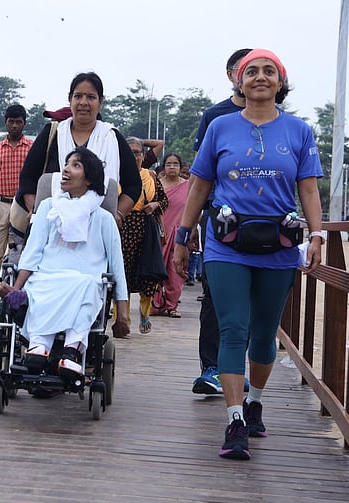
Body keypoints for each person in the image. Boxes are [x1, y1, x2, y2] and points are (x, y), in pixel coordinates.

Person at [172, 49, 324, 460]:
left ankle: (255, 400)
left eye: (268, 71)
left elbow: (308, 188)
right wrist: (183, 237)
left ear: (280, 82)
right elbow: (200, 185)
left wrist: (317, 235)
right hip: (227, 244)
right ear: (238, 82)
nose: (260, 77)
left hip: (279, 245)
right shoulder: (221, 127)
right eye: (251, 71)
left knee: (264, 334)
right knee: (233, 328)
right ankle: (236, 419)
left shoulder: (299, 131)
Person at [0, 146, 130, 377]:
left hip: (85, 280)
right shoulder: (49, 208)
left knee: (89, 288)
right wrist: (16, 290)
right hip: (47, 276)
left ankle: (72, 351)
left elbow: (117, 268)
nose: (66, 170)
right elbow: (32, 252)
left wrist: (123, 314)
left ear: (89, 179)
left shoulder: (103, 219)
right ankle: (39, 346)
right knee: (38, 288)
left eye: (75, 165)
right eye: (66, 164)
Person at [190, 48, 253, 396]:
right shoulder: (215, 117)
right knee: (214, 294)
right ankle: (211, 367)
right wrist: (189, 228)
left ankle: (234, 367)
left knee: (250, 296)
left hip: (262, 221)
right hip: (219, 218)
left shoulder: (278, 119)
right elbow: (202, 175)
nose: (255, 78)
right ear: (232, 75)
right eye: (246, 70)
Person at [17, 72, 141, 231]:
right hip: (52, 226)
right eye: (78, 96)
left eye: (91, 97)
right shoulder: (53, 133)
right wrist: (36, 210)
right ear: (70, 99)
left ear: (101, 102)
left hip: (98, 229)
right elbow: (28, 178)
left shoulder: (112, 137)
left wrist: (118, 214)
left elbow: (133, 185)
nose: (84, 102)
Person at [119, 137, 167, 335]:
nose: (134, 156)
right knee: (121, 274)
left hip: (146, 229)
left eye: (137, 152)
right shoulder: (117, 175)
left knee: (148, 273)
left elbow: (164, 201)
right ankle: (122, 318)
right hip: (122, 228)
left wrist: (155, 205)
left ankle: (145, 312)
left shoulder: (151, 176)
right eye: (129, 152)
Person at [0, 104, 33, 278]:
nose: (15, 126)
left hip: (22, 206)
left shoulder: (31, 148)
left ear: (24, 124)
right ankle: (2, 282)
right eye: (11, 122)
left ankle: (10, 290)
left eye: (18, 122)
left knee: (19, 251)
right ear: (5, 123)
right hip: (1, 203)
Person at [151, 153, 188, 318]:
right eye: (169, 164)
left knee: (175, 271)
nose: (172, 167)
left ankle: (172, 305)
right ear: (164, 167)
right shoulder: (157, 185)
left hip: (179, 234)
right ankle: (155, 304)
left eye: (175, 164)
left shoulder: (188, 186)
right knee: (157, 268)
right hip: (160, 233)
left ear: (180, 167)